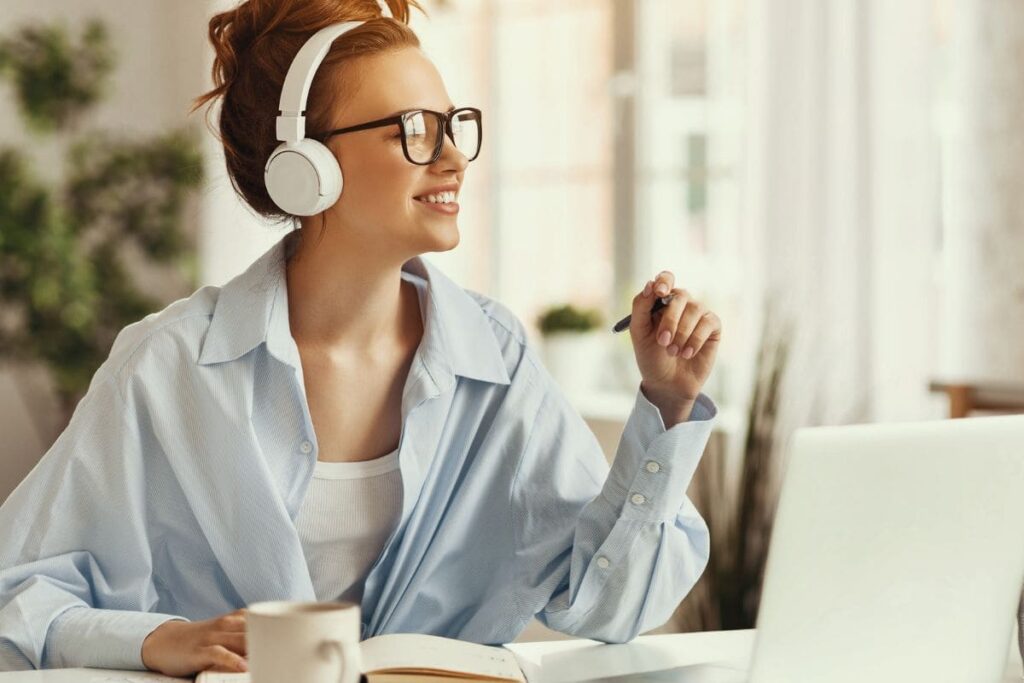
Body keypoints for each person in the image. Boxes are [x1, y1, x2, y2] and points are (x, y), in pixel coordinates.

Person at [0, 0, 723, 675]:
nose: (452, 158)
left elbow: (610, 605)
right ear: (305, 167)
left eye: (453, 123)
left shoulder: (495, 359)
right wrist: (159, 639)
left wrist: (666, 403)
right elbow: (15, 593)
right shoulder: (168, 367)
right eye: (413, 129)